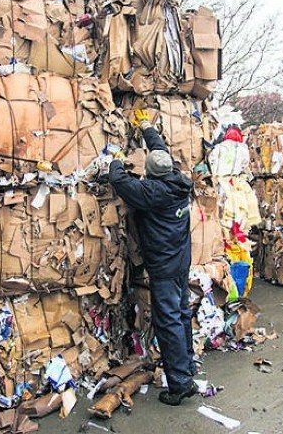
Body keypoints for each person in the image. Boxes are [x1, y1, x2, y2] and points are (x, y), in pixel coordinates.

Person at [107, 109, 198, 406]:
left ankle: (181, 383)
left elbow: (120, 182)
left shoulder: (152, 193)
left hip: (164, 266)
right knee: (181, 314)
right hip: (181, 261)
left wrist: (117, 160)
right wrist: (145, 126)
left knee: (168, 321)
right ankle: (188, 367)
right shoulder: (177, 179)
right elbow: (159, 149)